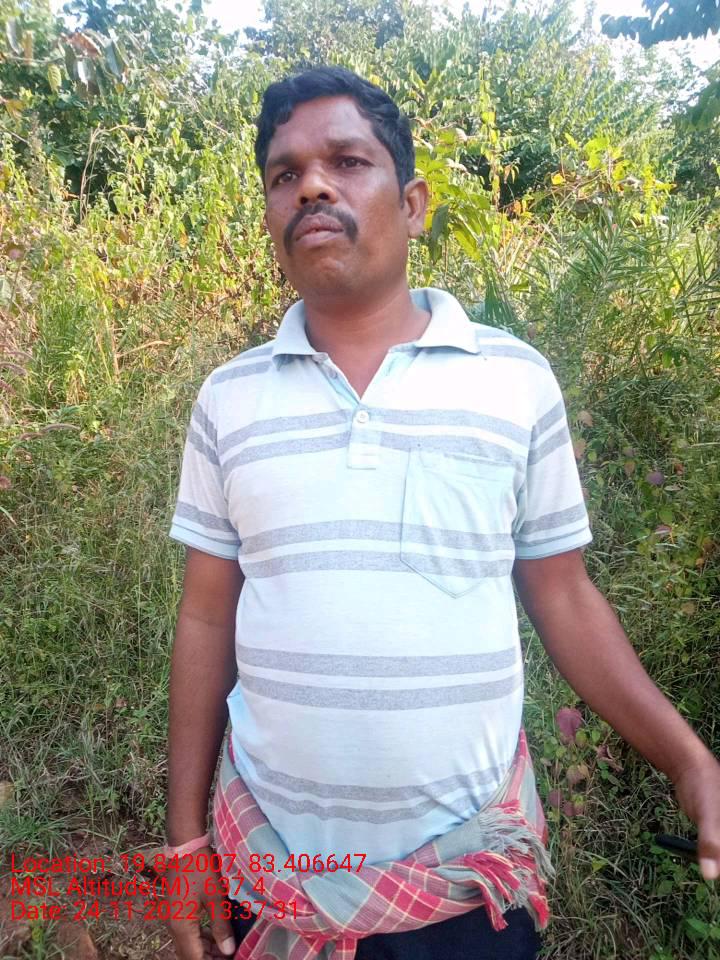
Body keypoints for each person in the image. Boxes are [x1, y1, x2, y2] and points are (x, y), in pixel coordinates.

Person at [164, 66, 720, 960]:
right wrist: (186, 842)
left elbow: (564, 595)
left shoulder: (513, 381)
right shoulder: (229, 400)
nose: (311, 187)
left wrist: (689, 760)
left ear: (414, 204)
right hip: (270, 870)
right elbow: (204, 617)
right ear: (269, 215)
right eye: (285, 174)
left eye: (348, 162)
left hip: (466, 887)